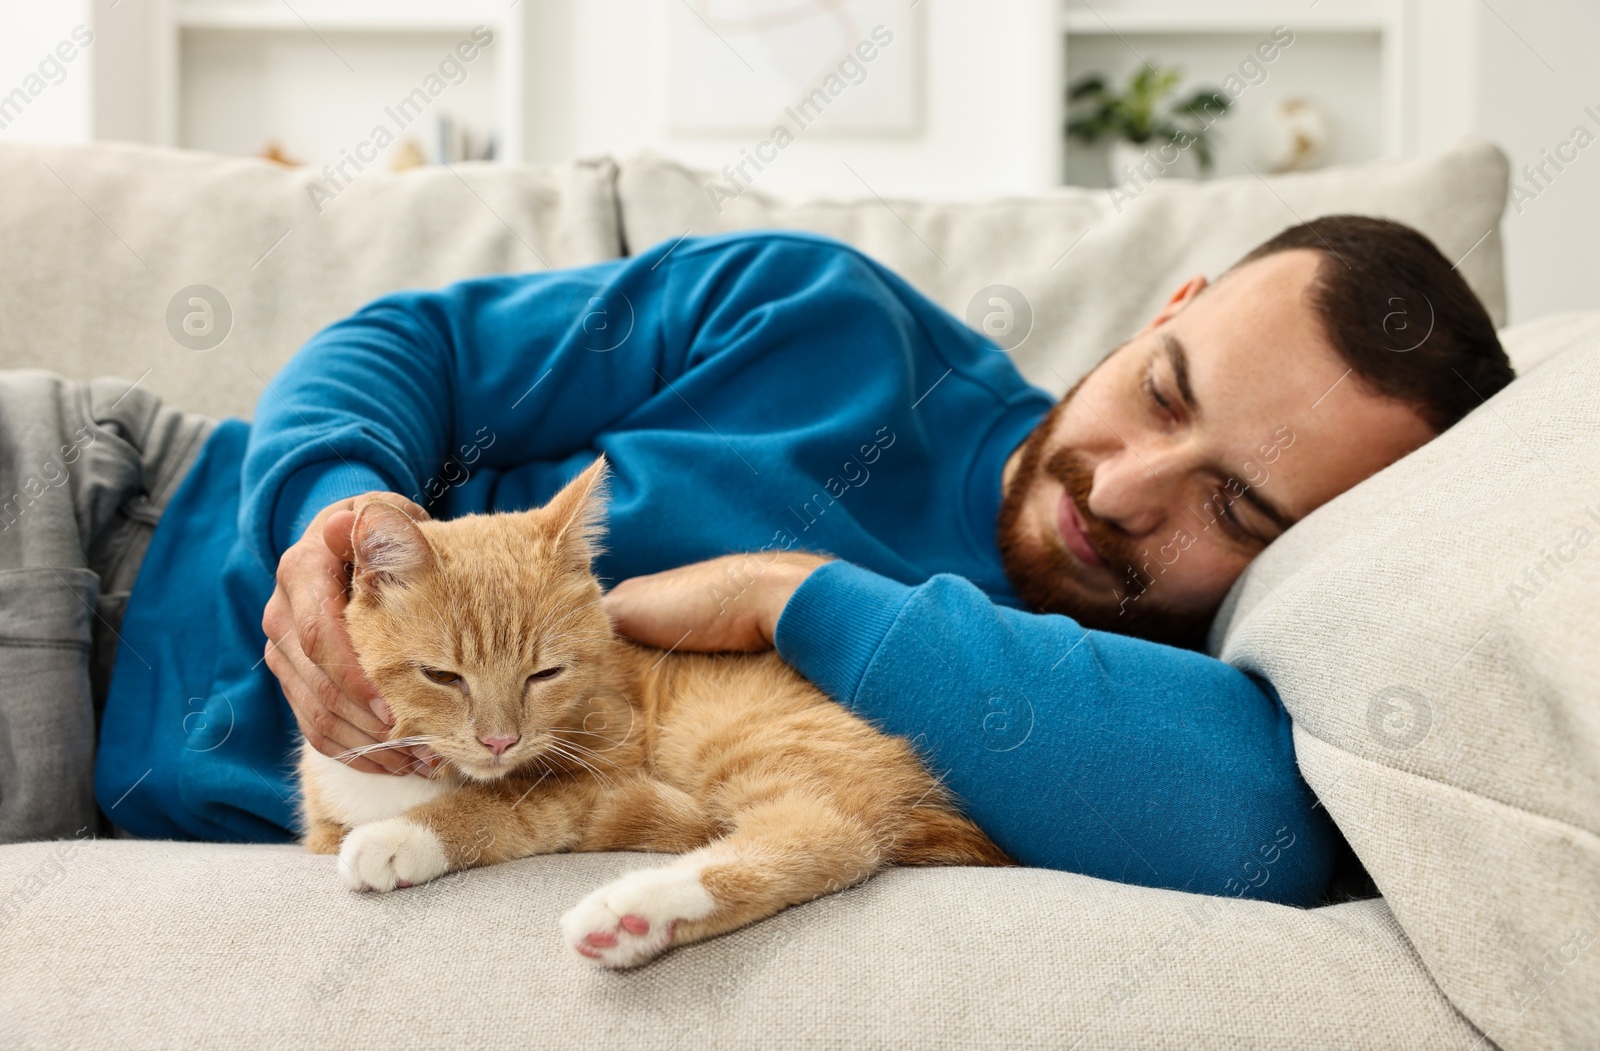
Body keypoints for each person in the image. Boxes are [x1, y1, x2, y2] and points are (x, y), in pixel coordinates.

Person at [0, 217, 1512, 907]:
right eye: (1163, 390)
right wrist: (322, 535)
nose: (1124, 489)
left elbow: (1268, 825)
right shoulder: (822, 316)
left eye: (1235, 512)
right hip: (100, 508)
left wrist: (790, 595)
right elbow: (409, 349)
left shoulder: (1110, 696)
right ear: (1163, 301)